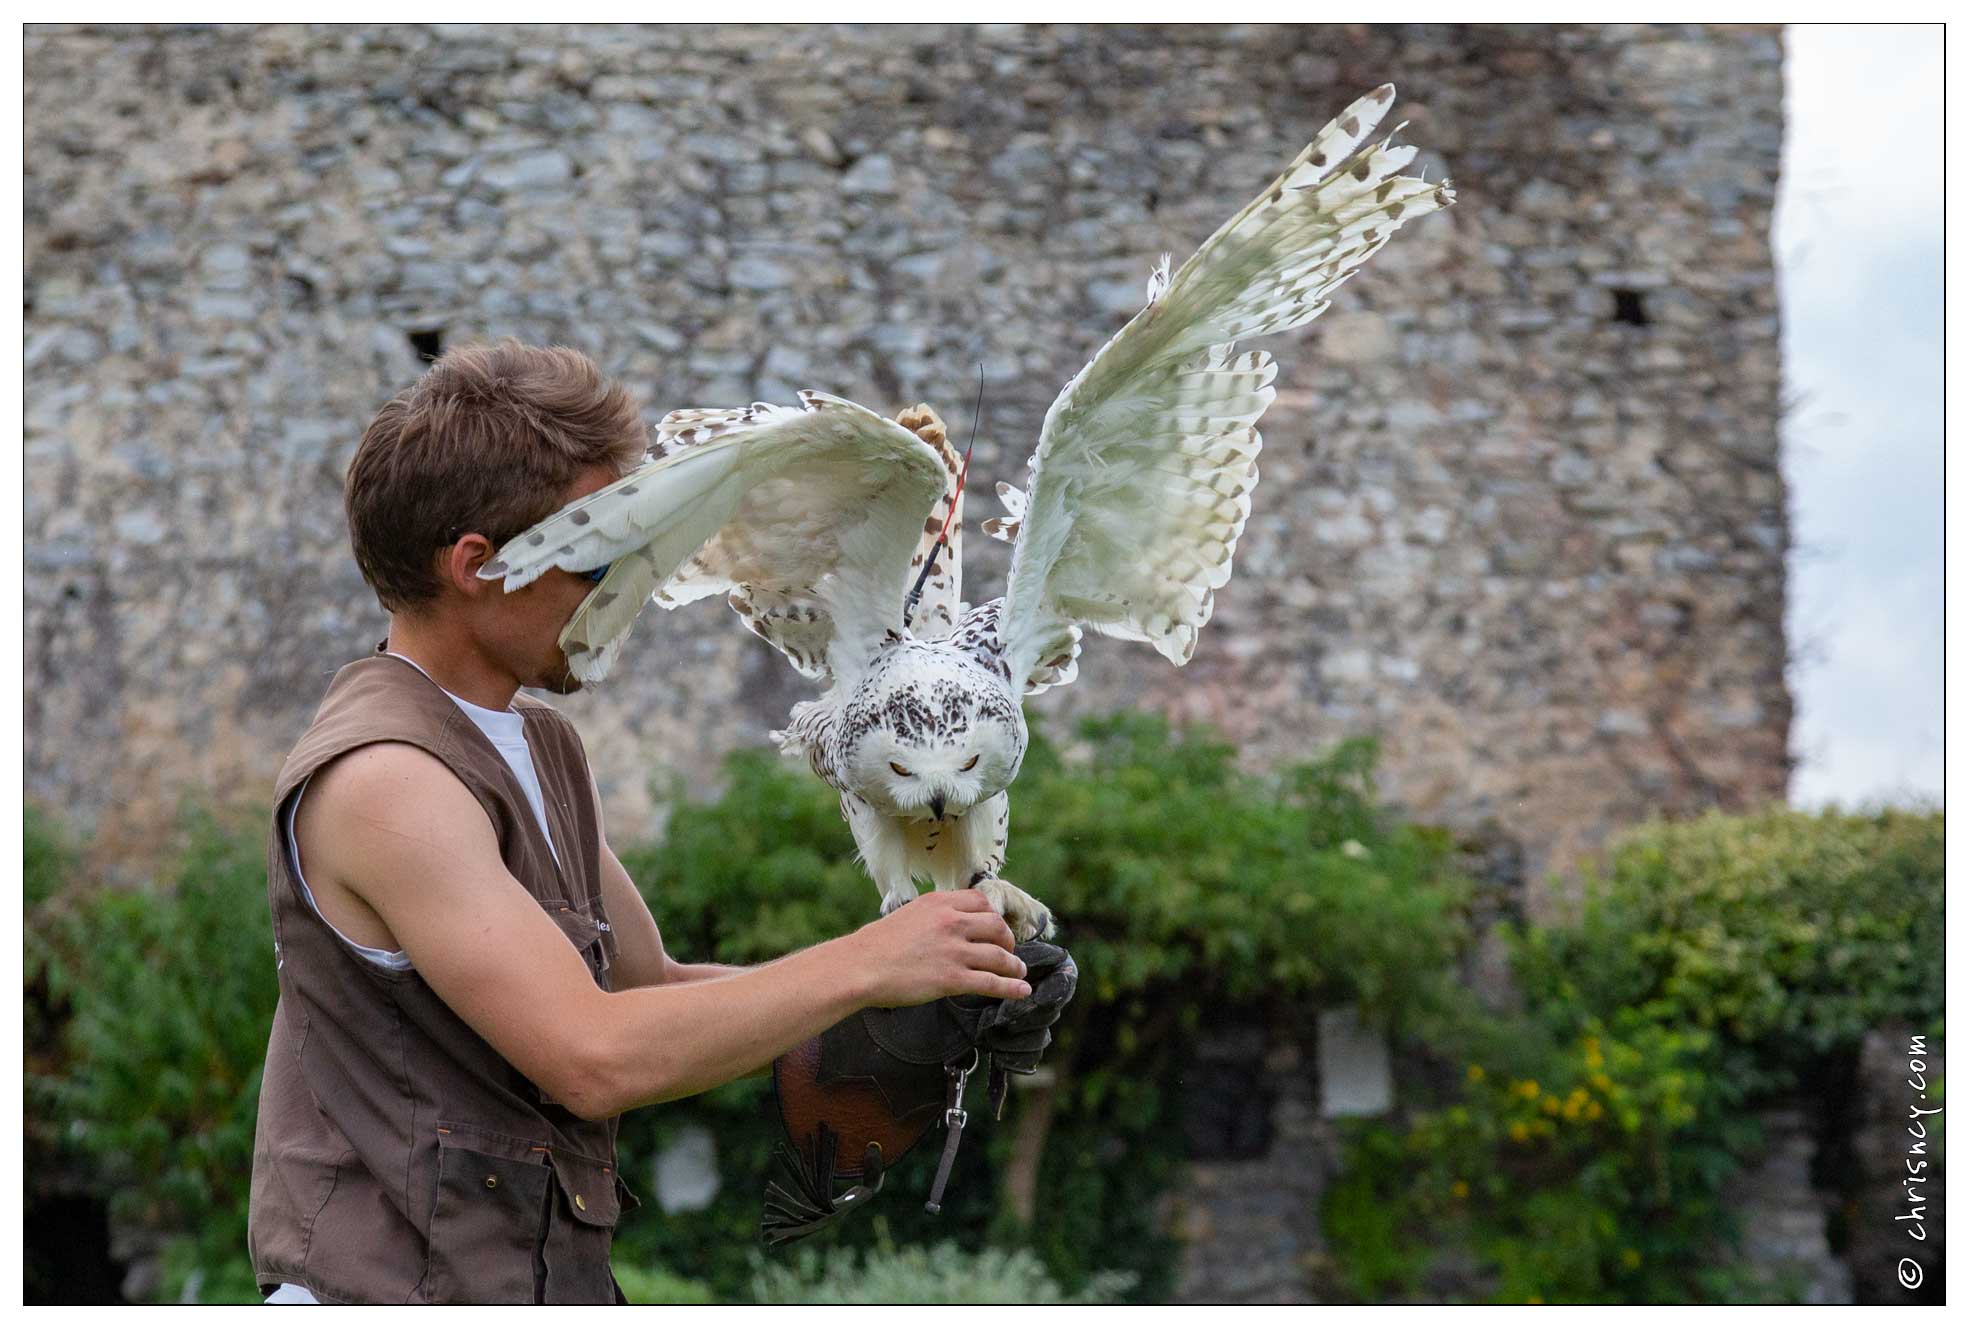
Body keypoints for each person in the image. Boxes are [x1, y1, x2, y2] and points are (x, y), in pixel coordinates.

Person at [247, 339, 1038, 1304]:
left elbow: (649, 990)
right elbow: (594, 1052)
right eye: (596, 558)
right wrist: (870, 961)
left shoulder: (537, 747)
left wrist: (923, 994)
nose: (626, 589)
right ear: (477, 566)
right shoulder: (385, 781)